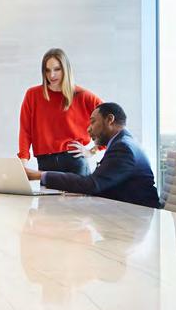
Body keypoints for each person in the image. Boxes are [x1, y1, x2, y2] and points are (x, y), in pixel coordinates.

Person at [26, 102, 160, 209]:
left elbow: (92, 184)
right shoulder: (122, 142)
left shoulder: (123, 148)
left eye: (93, 122)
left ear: (110, 119)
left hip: (136, 216)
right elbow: (97, 183)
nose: (88, 128)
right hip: (124, 211)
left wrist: (39, 175)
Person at [18, 48, 102, 176]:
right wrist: (23, 164)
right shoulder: (32, 95)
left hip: (74, 163)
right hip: (45, 163)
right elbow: (25, 130)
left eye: (57, 69)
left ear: (66, 69)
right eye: (47, 70)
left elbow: (111, 121)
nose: (51, 75)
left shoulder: (82, 95)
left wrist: (93, 151)